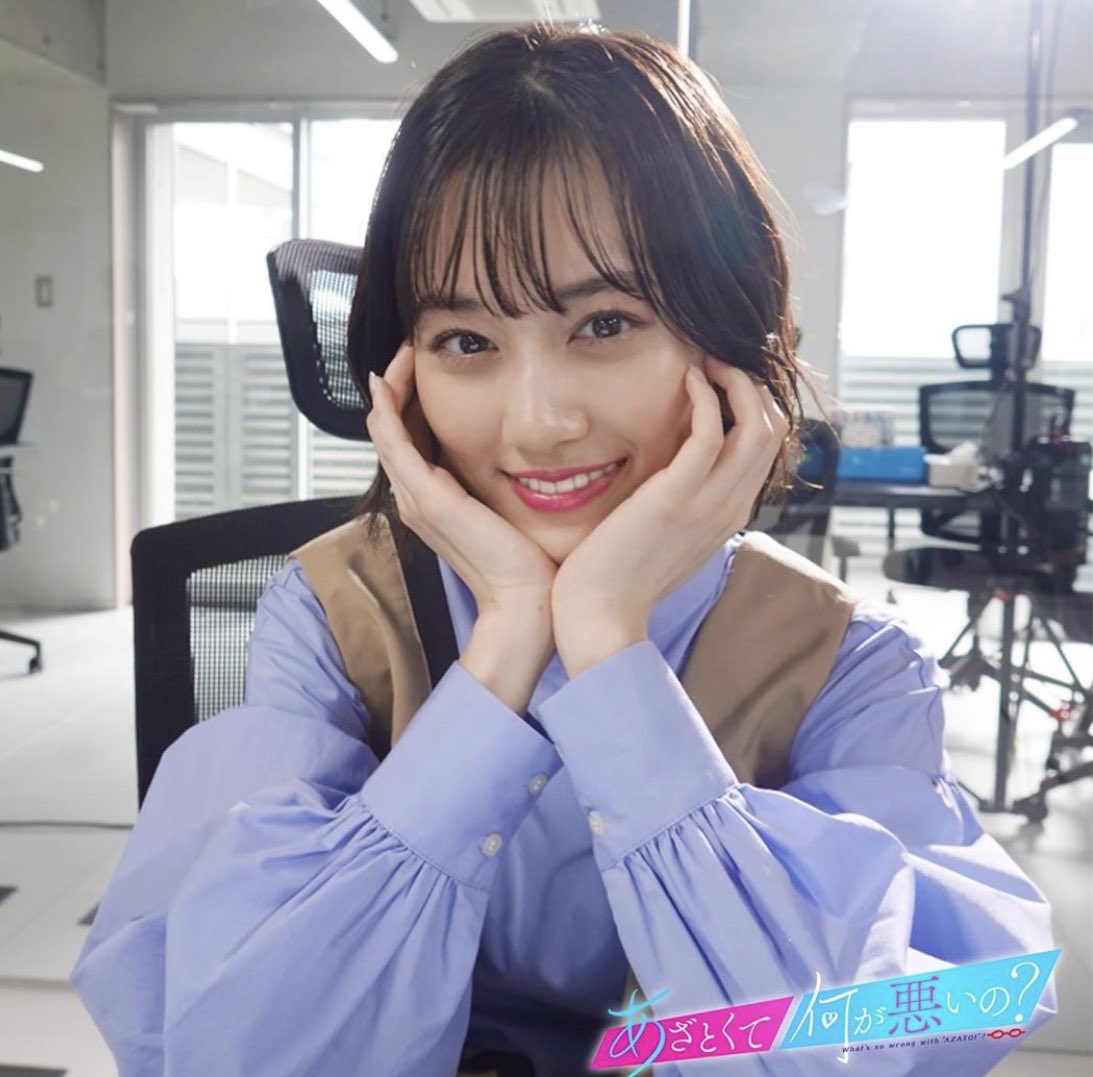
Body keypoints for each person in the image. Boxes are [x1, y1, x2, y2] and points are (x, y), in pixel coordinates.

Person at [71, 22, 1058, 1077]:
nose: (540, 424)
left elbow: (864, 1046)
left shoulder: (846, 662)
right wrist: (506, 641)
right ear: (400, 376)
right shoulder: (330, 613)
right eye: (466, 341)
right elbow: (235, 1049)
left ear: (727, 342)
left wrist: (604, 644)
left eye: (606, 324)